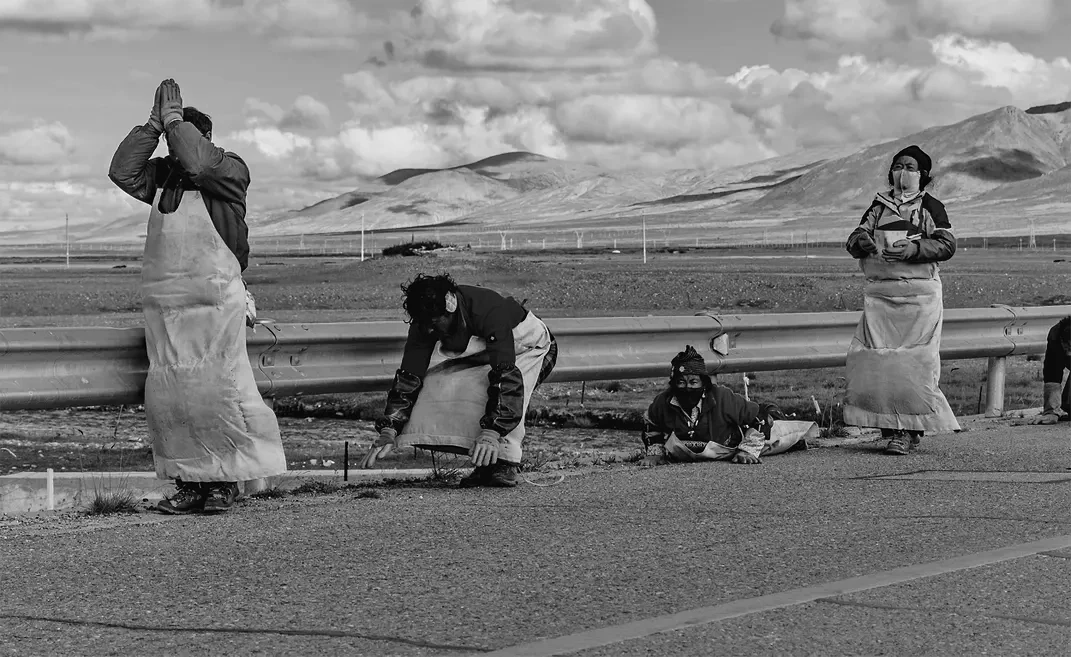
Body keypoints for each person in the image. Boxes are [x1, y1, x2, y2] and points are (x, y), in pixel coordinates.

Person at [108, 79, 286, 513]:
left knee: (220, 389)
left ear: (203, 138)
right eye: (172, 142)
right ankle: (188, 482)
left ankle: (225, 482)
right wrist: (153, 125)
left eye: (179, 138)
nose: (176, 152)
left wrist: (173, 122)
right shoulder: (164, 179)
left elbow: (201, 165)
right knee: (171, 395)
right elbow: (122, 171)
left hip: (216, 300)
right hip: (167, 305)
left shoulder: (229, 171)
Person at [360, 273, 557, 487]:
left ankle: (506, 464)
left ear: (450, 307)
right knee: (439, 386)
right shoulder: (424, 322)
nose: (429, 331)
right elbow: (410, 377)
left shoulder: (489, 309)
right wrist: (389, 428)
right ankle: (485, 464)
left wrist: (491, 433)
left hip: (532, 348)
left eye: (434, 323)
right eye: (424, 324)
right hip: (488, 355)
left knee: (507, 392)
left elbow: (506, 377)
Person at [843, 144, 960, 455]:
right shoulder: (878, 206)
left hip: (919, 299)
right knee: (878, 363)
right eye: (898, 166)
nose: (903, 172)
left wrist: (915, 249)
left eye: (910, 167)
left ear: (922, 175)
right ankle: (889, 426)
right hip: (881, 297)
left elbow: (946, 245)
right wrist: (862, 242)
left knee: (914, 365)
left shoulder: (931, 207)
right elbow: (853, 238)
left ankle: (909, 431)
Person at [640, 346, 815, 466]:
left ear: (704, 383)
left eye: (693, 382)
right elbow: (651, 426)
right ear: (673, 384)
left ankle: (781, 419)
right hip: (693, 451)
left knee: (780, 435)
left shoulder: (722, 397)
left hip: (740, 440)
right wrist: (655, 453)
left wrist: (748, 450)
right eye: (680, 382)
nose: (687, 388)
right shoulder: (662, 403)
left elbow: (759, 419)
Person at [1030, 316, 1071, 424]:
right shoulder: (1055, 337)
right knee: (1069, 406)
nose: (1068, 354)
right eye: (1067, 347)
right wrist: (1051, 412)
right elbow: (1052, 374)